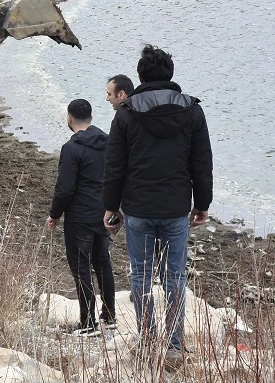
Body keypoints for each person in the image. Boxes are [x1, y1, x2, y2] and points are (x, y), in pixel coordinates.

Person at [102, 45, 212, 366]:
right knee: (175, 276)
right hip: (176, 207)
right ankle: (175, 346)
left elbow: (115, 165)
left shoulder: (126, 113)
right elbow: (201, 163)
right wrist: (201, 203)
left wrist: (111, 206)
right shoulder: (192, 110)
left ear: (140, 76)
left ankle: (148, 340)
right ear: (171, 74)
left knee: (141, 276)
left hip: (137, 207)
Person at [47, 98, 116, 334]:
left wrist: (54, 214)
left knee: (81, 268)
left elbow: (65, 188)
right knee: (103, 263)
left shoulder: (72, 148)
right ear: (91, 117)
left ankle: (88, 324)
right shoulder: (108, 142)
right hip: (104, 213)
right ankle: (109, 316)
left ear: (69, 118)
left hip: (79, 217)